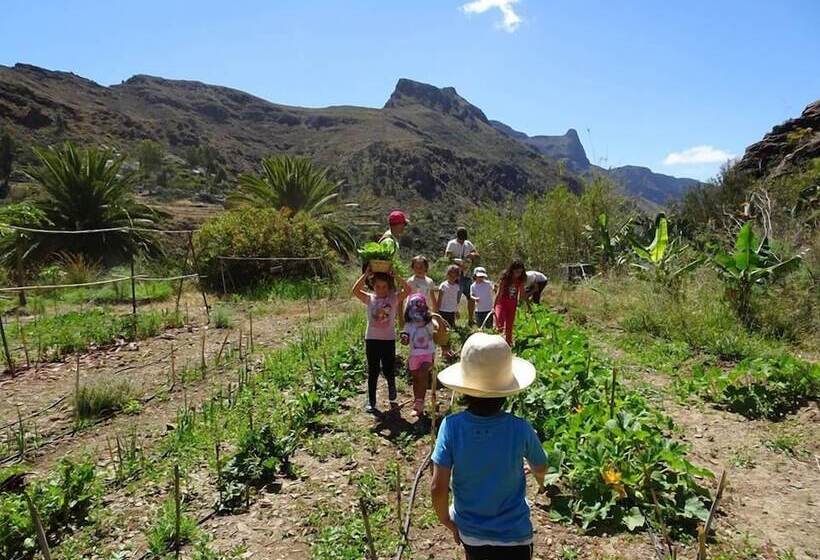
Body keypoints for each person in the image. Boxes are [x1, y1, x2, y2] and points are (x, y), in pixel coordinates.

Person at [432, 332, 547, 559]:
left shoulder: (452, 426)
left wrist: (446, 519)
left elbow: (438, 486)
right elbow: (541, 464)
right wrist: (539, 479)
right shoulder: (519, 428)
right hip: (516, 536)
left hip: (472, 533)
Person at [352, 268, 408, 413]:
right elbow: (355, 290)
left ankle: (391, 386)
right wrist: (365, 275)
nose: (381, 289)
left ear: (389, 286)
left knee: (389, 369)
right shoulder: (370, 298)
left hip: (388, 340)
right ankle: (371, 401)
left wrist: (396, 276)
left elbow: (408, 290)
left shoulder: (393, 298)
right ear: (373, 286)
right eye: (377, 286)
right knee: (373, 371)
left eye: (384, 286)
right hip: (371, 339)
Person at [400, 293, 436, 417]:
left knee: (423, 374)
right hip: (414, 355)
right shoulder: (409, 325)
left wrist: (440, 320)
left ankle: (420, 402)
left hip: (427, 354)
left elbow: (440, 331)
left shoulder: (430, 322)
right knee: (416, 378)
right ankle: (418, 400)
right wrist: (404, 338)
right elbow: (405, 339)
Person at [445, 227, 479, 325]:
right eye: (461, 239)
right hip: (456, 276)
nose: (462, 240)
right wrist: (457, 261)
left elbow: (476, 253)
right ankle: (452, 321)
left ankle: (471, 319)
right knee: (455, 298)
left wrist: (472, 255)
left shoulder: (468, 244)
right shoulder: (452, 243)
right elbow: (447, 257)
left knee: (471, 297)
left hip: (467, 275)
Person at [494, 260, 526, 346]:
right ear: (512, 270)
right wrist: (494, 306)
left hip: (512, 304)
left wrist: (522, 303)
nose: (518, 274)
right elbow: (499, 292)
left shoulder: (520, 280)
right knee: (499, 323)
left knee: (509, 325)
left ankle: (508, 344)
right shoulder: (505, 278)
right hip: (502, 303)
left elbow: (522, 293)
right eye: (516, 271)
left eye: (520, 272)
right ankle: (496, 343)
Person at [437, 264, 462, 358]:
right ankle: (443, 350)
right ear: (447, 275)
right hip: (443, 311)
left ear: (457, 276)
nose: (452, 277)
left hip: (451, 312)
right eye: (450, 275)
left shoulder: (456, 286)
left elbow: (455, 300)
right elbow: (439, 299)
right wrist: (437, 311)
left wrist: (456, 311)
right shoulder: (443, 285)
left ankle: (448, 349)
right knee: (443, 331)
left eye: (454, 276)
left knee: (449, 331)